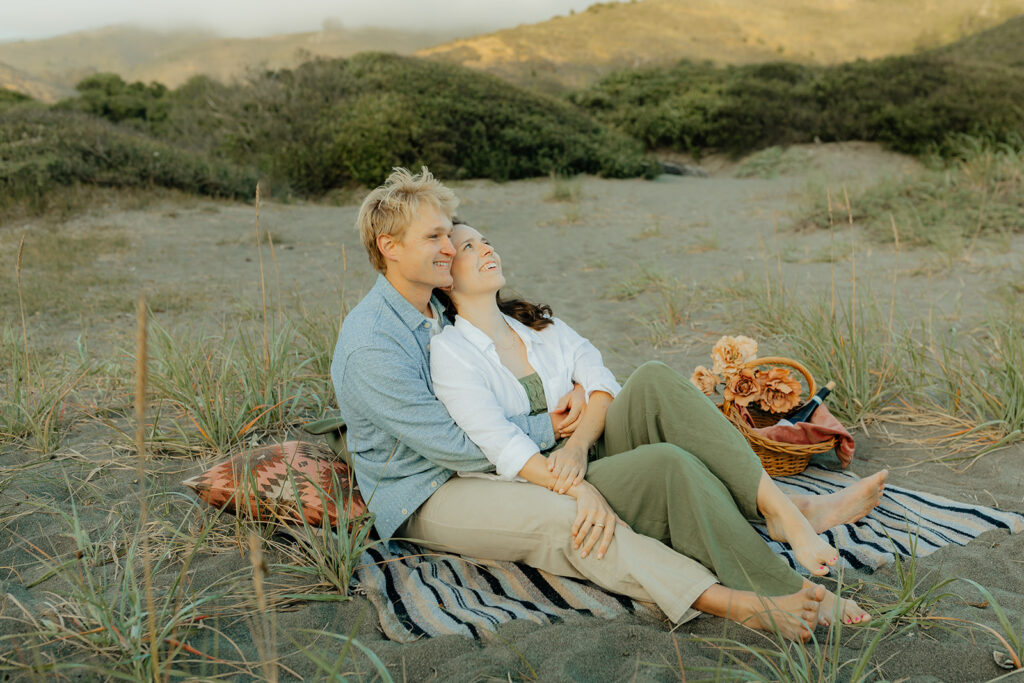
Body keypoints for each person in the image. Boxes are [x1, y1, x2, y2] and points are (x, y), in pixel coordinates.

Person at [331, 167, 882, 641]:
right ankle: (741, 600)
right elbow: (455, 445)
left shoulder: (438, 308)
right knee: (571, 516)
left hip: (506, 454)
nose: (452, 249)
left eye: (456, 239)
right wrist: (558, 443)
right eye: (436, 238)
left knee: (652, 381)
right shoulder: (374, 343)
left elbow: (570, 372)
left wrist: (568, 430)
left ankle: (786, 508)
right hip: (428, 488)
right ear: (389, 246)